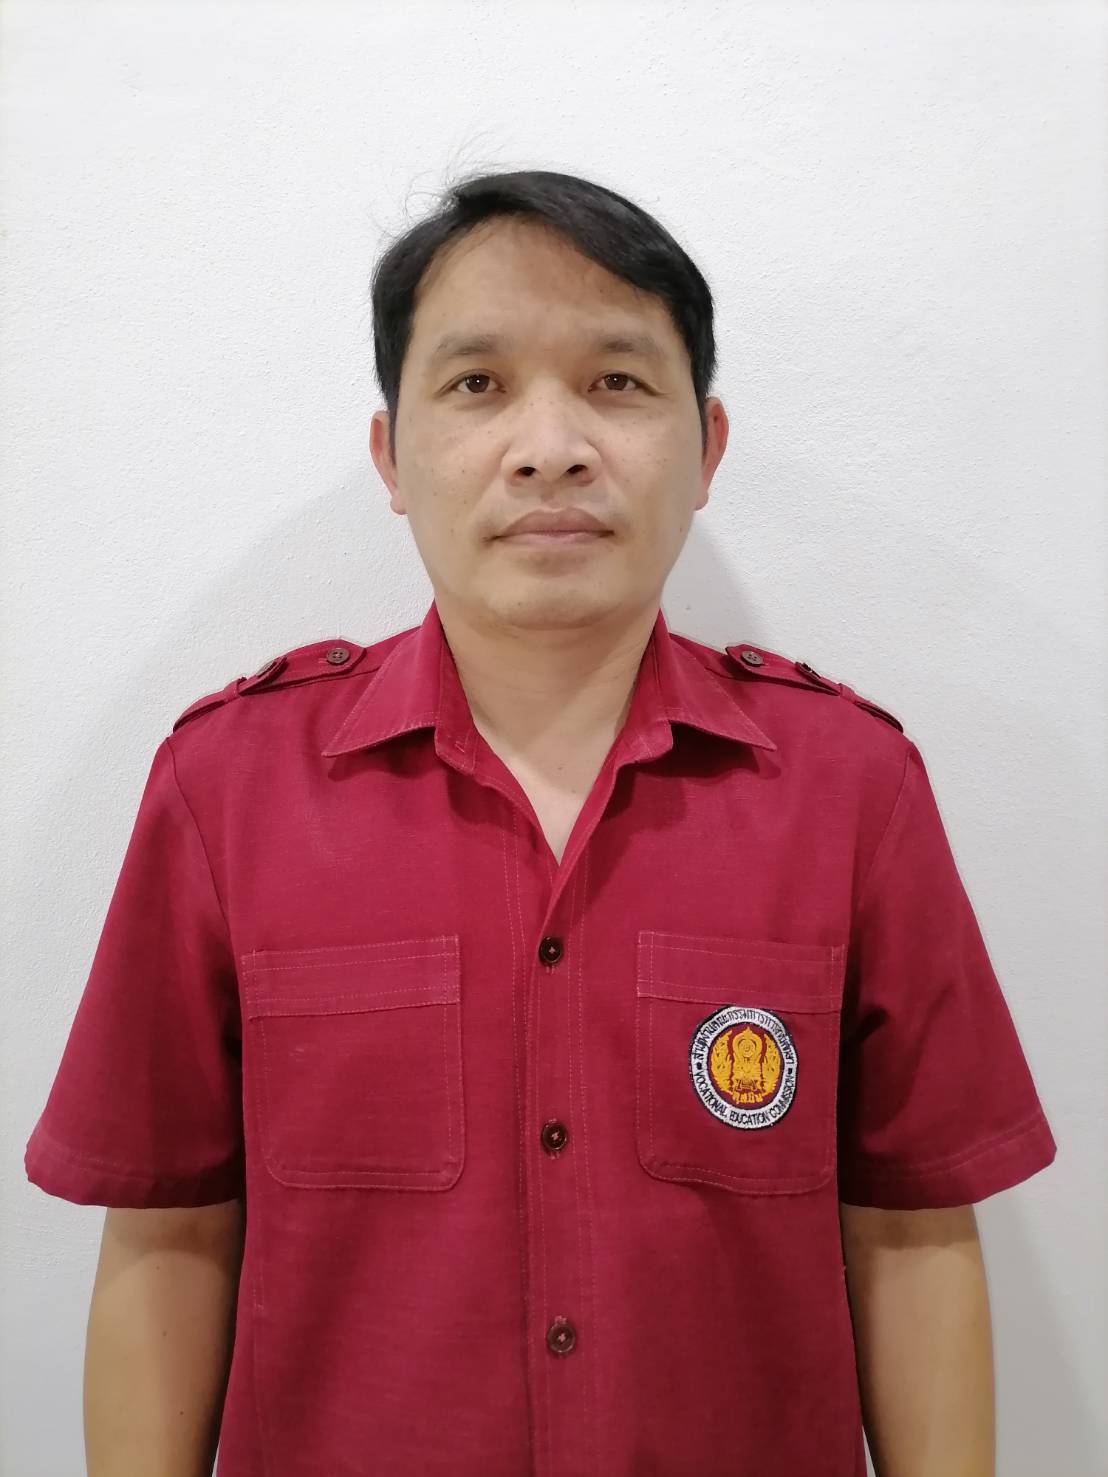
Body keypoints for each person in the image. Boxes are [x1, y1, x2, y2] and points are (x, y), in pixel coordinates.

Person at [25, 167, 1057, 1477]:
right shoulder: (225, 791)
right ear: (391, 456)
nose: (551, 445)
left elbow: (910, 1231)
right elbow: (170, 1231)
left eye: (618, 381)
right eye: (478, 384)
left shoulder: (853, 790)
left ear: (708, 447)